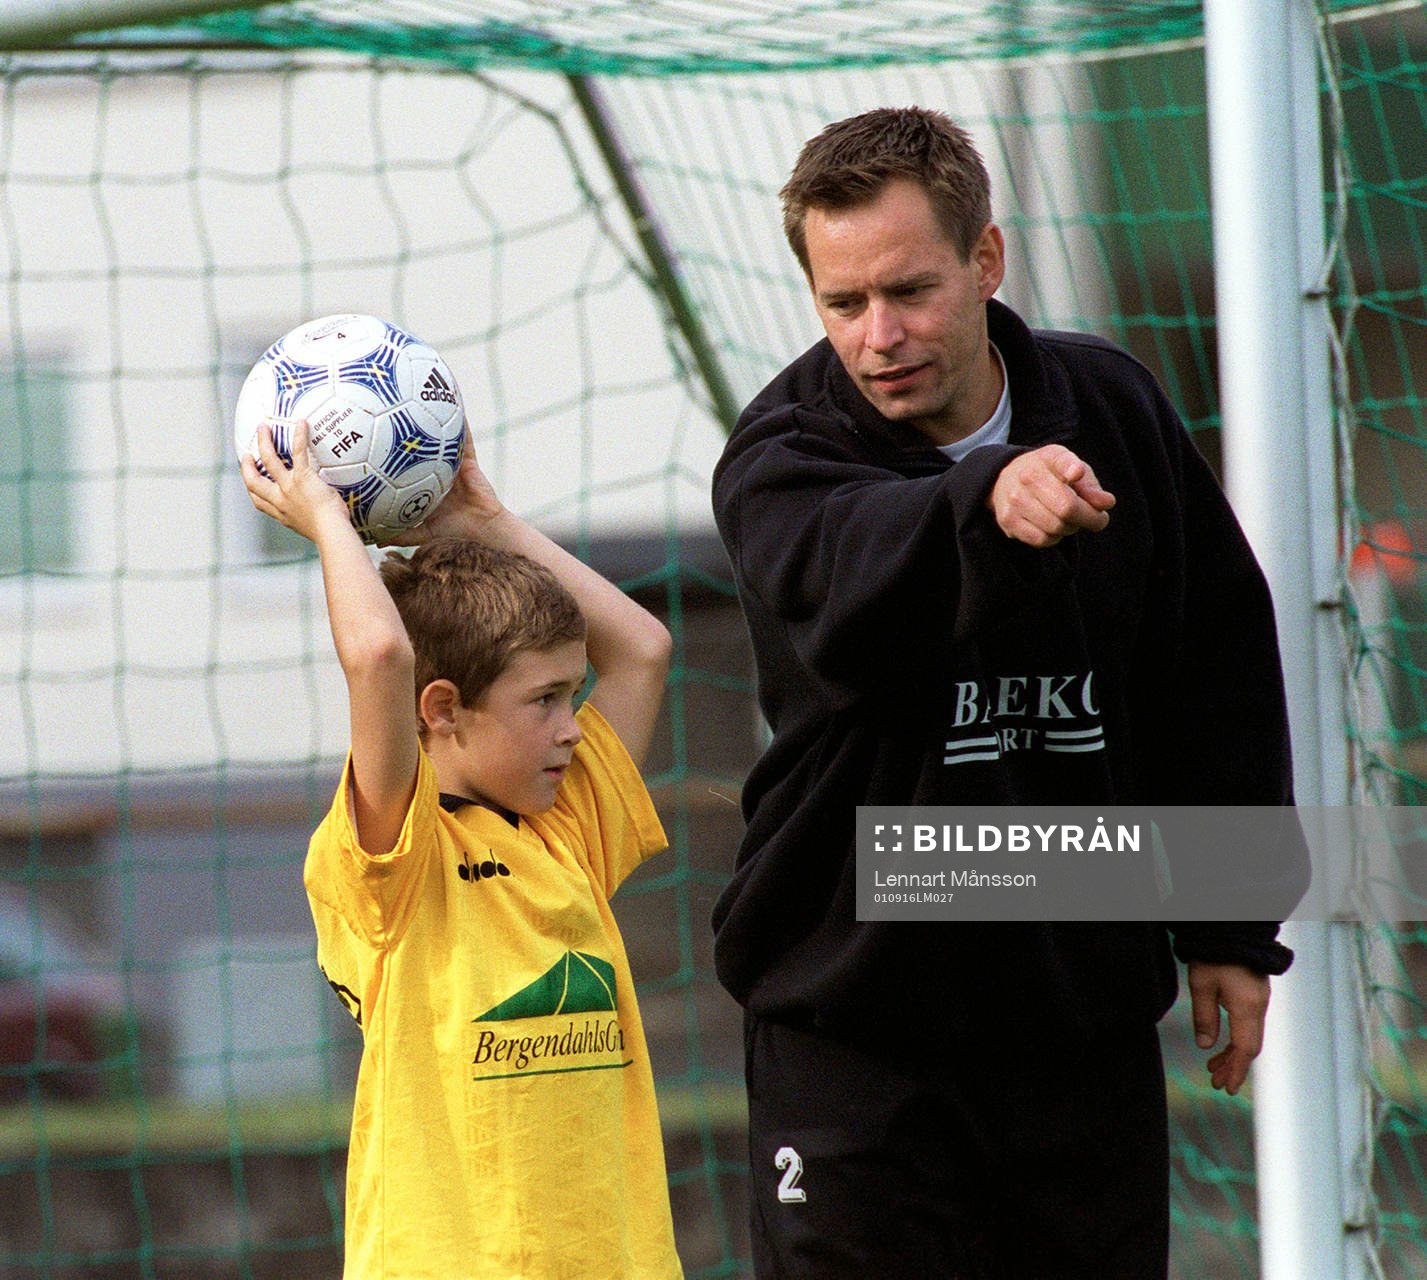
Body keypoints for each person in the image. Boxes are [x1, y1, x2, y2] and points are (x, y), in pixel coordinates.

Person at [711, 106, 1303, 1278]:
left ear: (987, 259)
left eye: (910, 291)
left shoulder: (1112, 412)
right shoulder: (780, 454)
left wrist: (1230, 925)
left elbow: (1212, 666)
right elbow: (844, 576)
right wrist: (982, 501)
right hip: (852, 1027)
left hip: (1070, 1031)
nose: (878, 335)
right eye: (843, 304)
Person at [240, 420, 682, 1278]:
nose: (571, 731)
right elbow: (378, 655)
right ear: (441, 709)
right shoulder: (392, 866)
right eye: (545, 701)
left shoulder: (565, 831)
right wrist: (326, 519)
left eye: (570, 697)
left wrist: (485, 522)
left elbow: (642, 648)